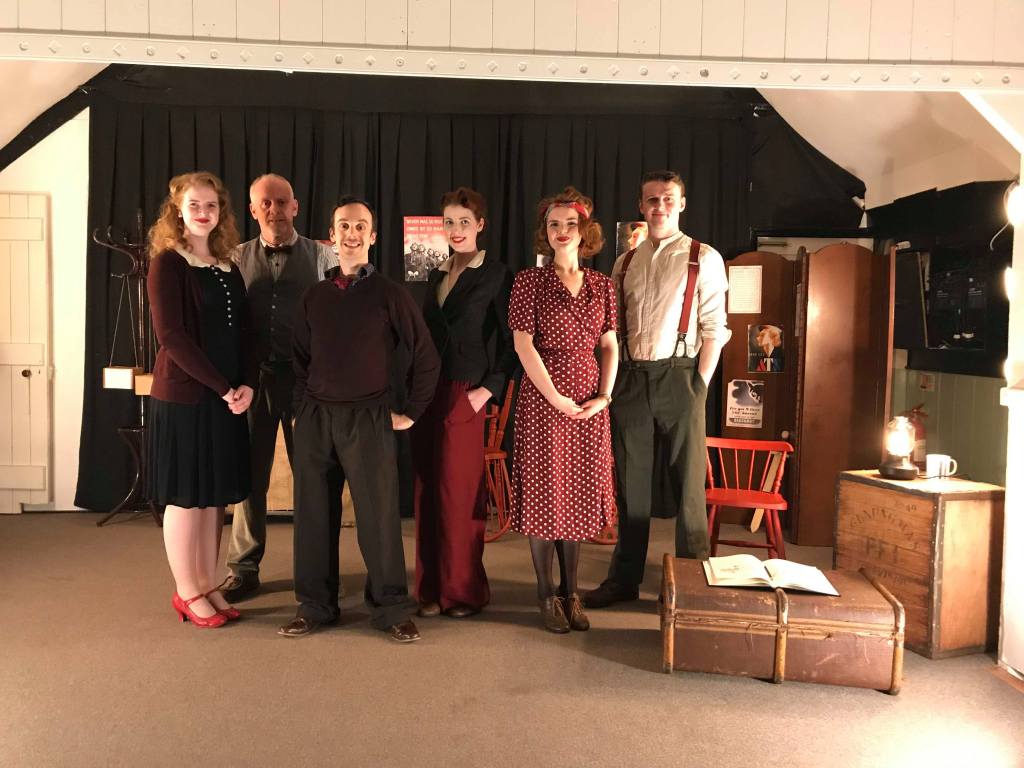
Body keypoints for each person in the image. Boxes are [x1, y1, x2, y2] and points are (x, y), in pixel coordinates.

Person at [279, 196, 440, 642]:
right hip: (316, 419)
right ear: (332, 236)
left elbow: (425, 356)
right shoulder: (315, 296)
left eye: (360, 226)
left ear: (372, 237)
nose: (351, 233)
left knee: (378, 517)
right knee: (313, 515)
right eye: (343, 226)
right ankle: (314, 605)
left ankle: (390, 608)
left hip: (369, 418)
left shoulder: (389, 294)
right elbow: (298, 359)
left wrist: (412, 412)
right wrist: (300, 410)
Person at [584, 170, 732, 610]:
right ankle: (624, 579)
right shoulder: (624, 262)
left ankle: (692, 583)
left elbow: (715, 328)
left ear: (682, 203)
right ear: (641, 206)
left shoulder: (703, 257)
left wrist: (698, 385)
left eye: (668, 198)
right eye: (652, 200)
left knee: (687, 482)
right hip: (631, 378)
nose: (659, 207)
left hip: (681, 375)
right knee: (631, 483)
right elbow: (611, 327)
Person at [146, 171, 257, 629]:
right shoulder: (168, 263)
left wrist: (246, 383)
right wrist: (222, 386)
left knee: (213, 499)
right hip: (188, 397)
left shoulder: (228, 263)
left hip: (227, 397)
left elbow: (246, 334)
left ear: (221, 212)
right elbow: (172, 336)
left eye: (211, 206)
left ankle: (208, 583)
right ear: (178, 210)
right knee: (187, 499)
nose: (203, 213)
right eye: (194, 205)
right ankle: (186, 591)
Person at [220, 173, 338, 602]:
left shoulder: (324, 257)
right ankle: (244, 566)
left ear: (296, 206)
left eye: (281, 201)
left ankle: (314, 569)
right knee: (250, 476)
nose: (274, 210)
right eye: (265, 203)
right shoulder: (233, 257)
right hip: (253, 381)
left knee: (311, 475)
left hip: (305, 381)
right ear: (253, 210)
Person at [507, 186, 618, 633]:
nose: (561, 231)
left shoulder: (602, 285)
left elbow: (610, 344)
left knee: (575, 497)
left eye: (569, 224)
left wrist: (604, 396)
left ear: (584, 230)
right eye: (553, 225)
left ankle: (572, 592)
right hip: (542, 403)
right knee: (543, 495)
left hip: (590, 408)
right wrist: (555, 398)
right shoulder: (528, 281)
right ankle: (544, 594)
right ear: (545, 232)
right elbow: (522, 343)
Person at [411, 187, 515, 619]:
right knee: (427, 490)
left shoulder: (496, 274)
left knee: (459, 494)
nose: (456, 230)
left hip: (466, 392)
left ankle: (463, 591)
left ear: (480, 226)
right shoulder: (436, 274)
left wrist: (486, 391)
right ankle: (431, 588)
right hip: (427, 393)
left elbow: (511, 345)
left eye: (464, 222)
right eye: (449, 222)